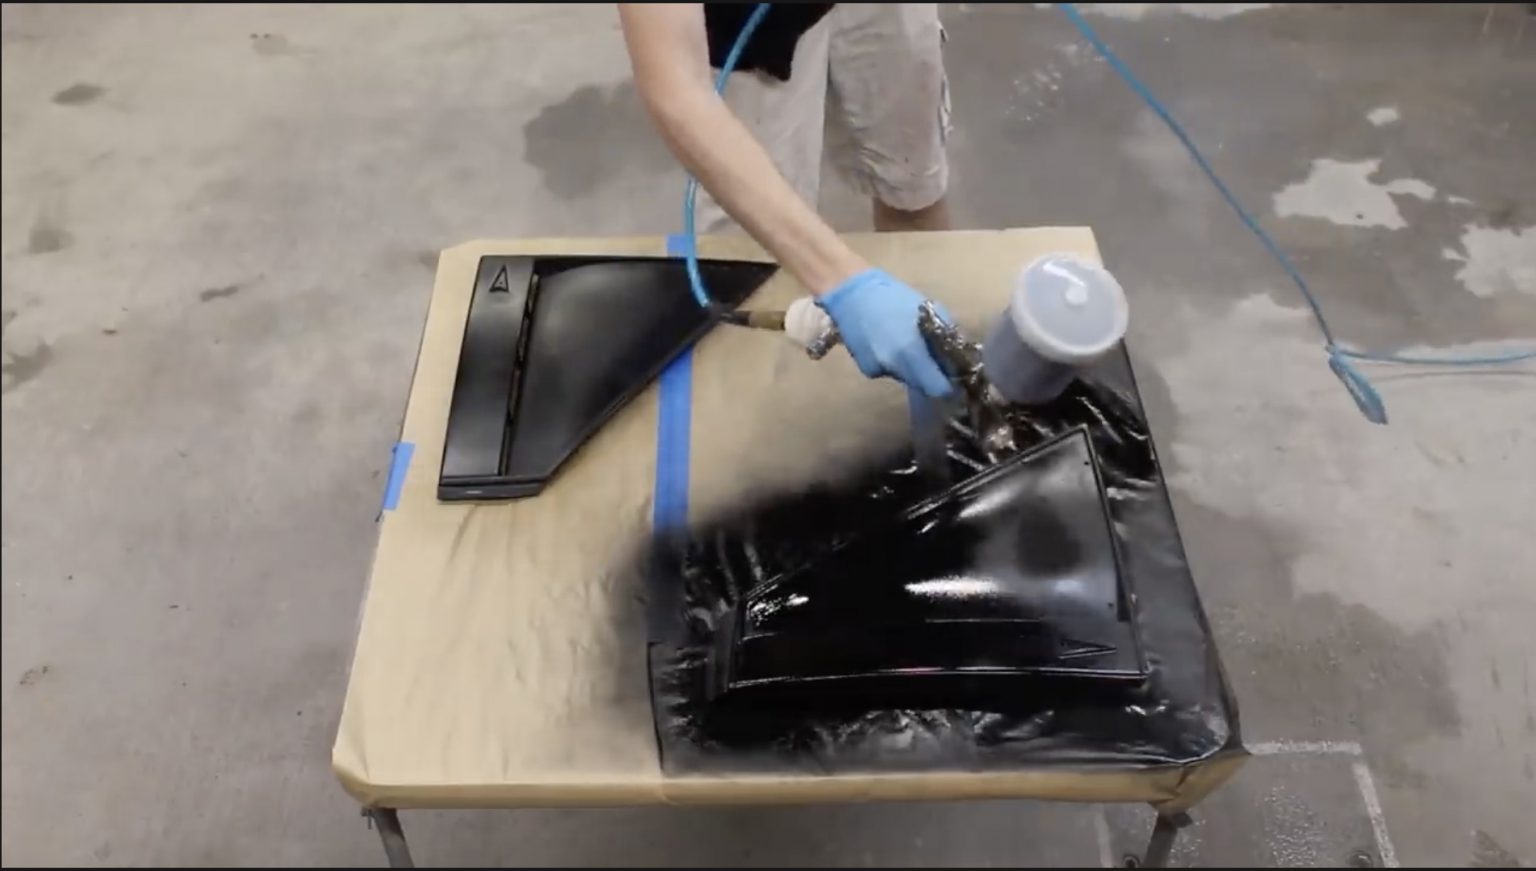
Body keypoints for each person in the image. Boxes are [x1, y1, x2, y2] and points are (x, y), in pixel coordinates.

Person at [618, 3, 956, 398]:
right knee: (751, 269)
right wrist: (846, 283)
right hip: (747, 28)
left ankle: (937, 359)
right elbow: (677, 90)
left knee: (912, 185)